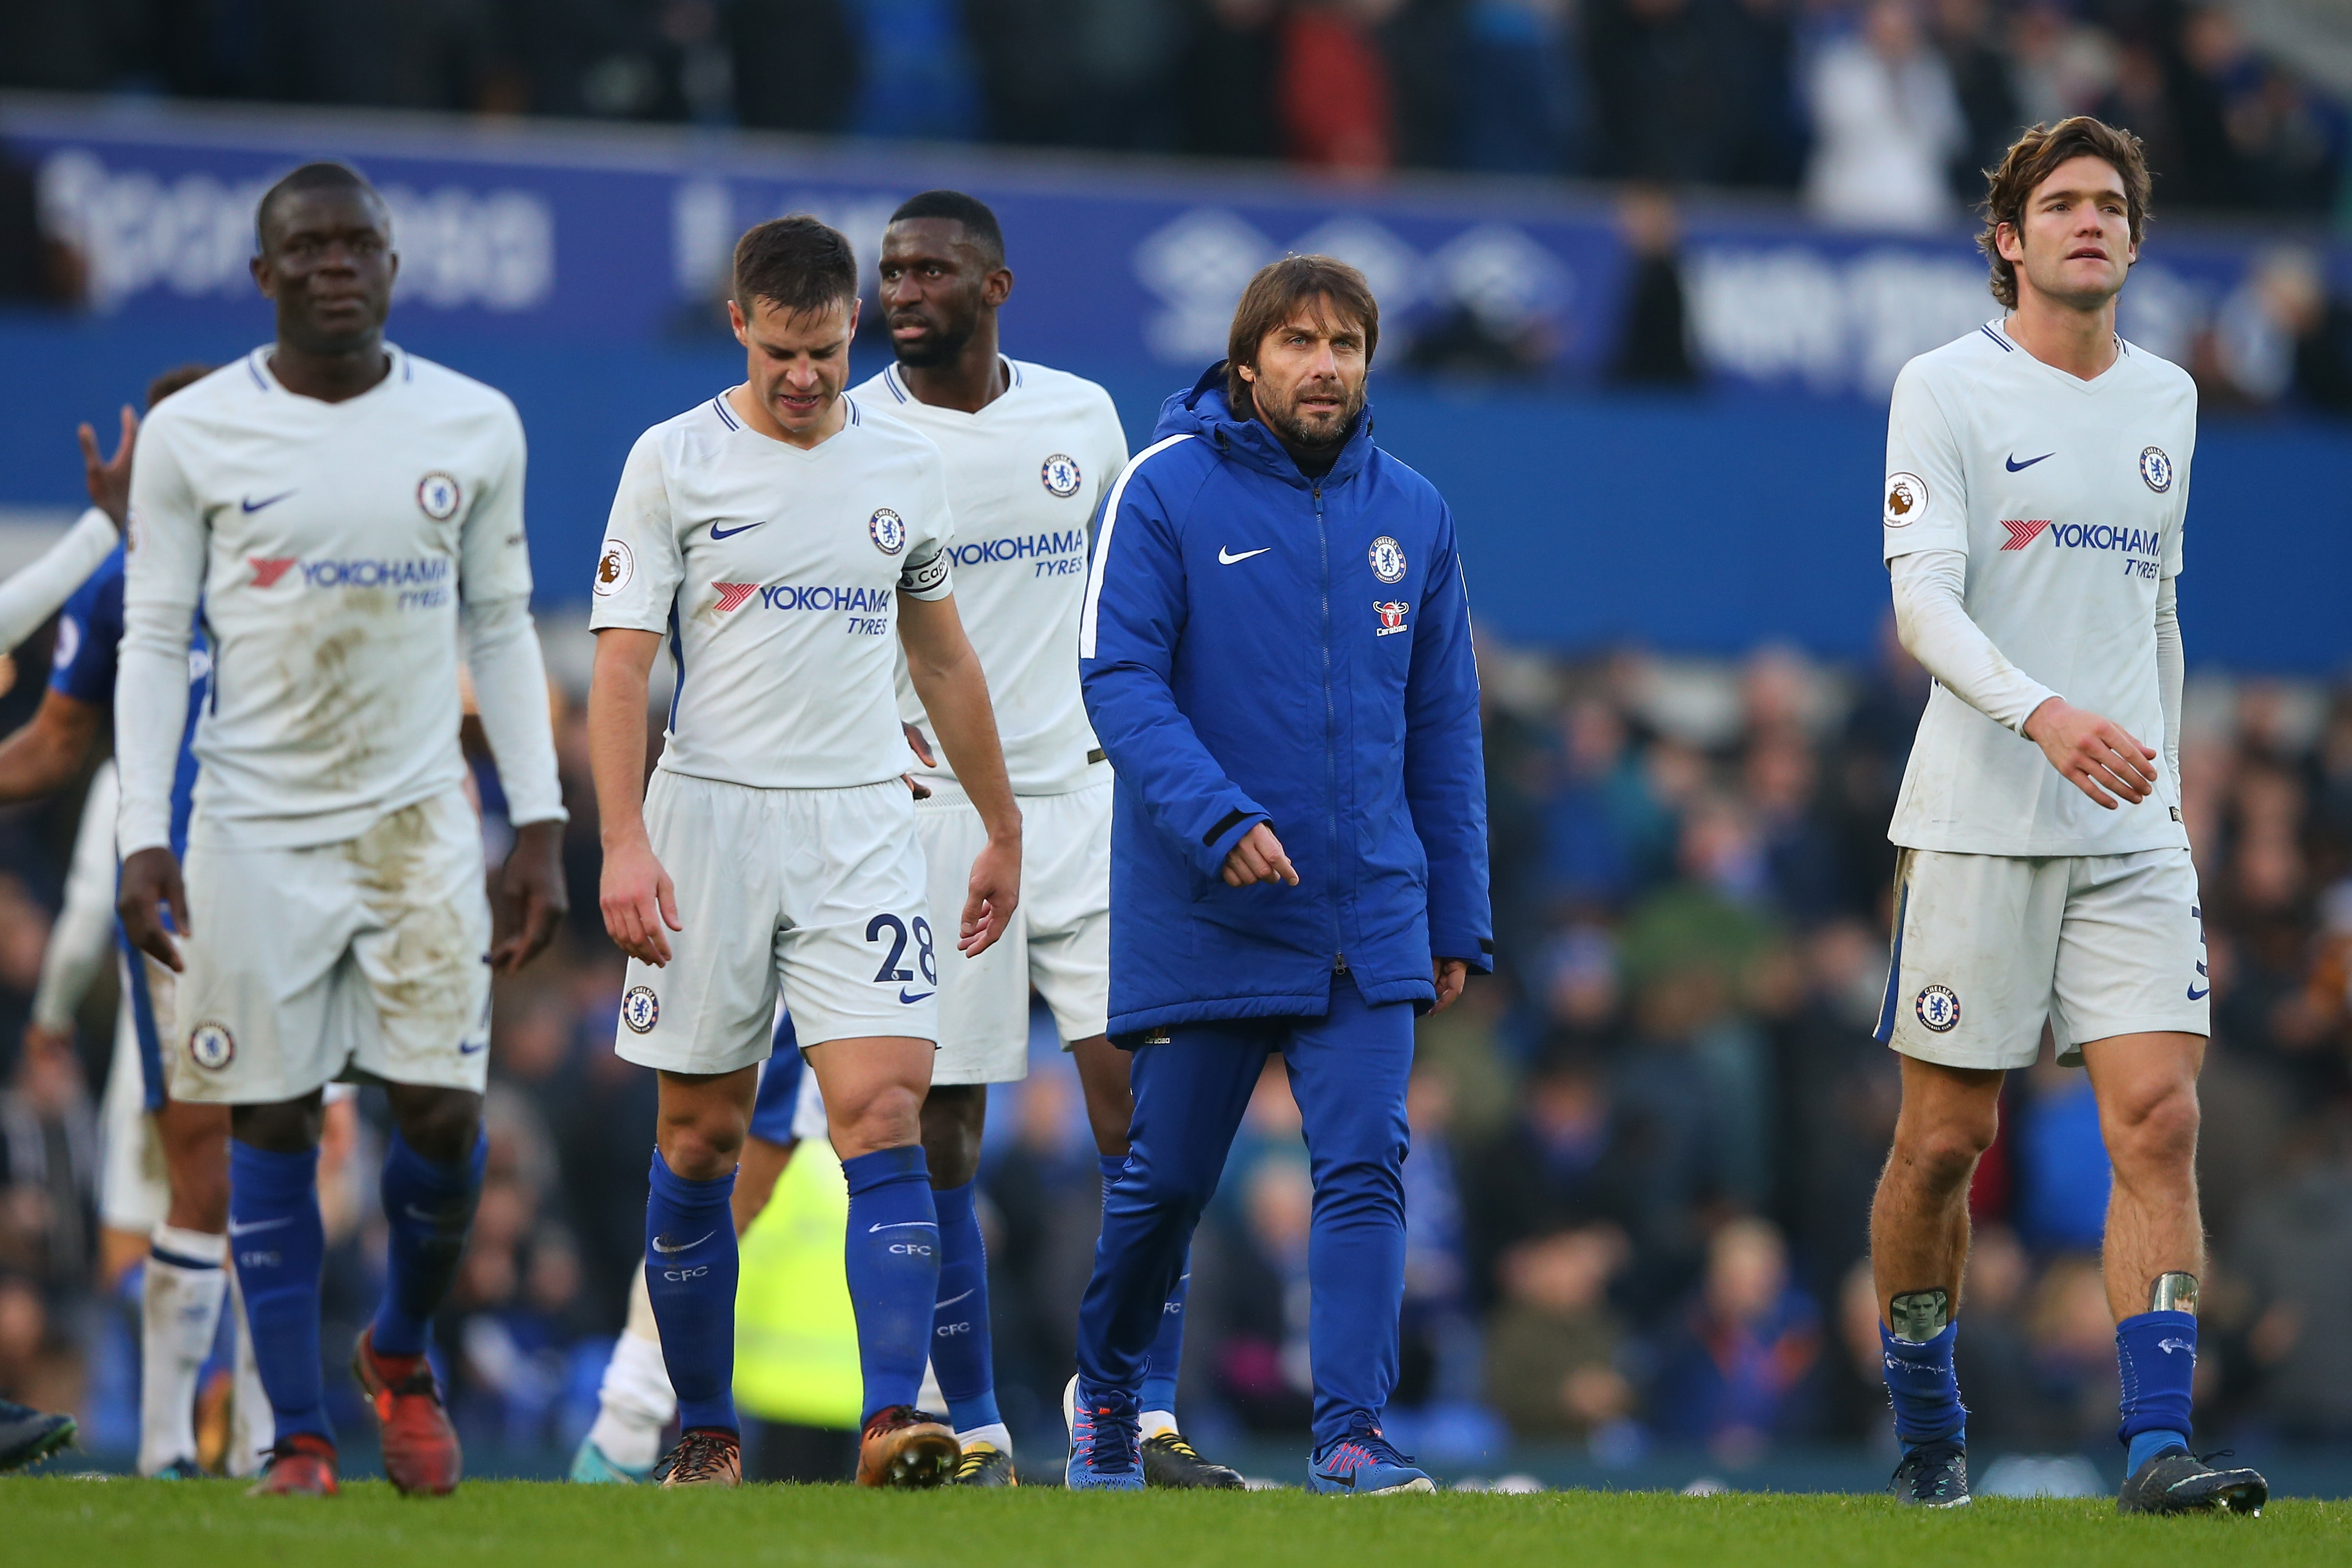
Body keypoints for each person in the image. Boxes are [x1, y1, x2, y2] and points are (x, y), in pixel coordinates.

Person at [113, 161, 569, 1499]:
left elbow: (499, 622)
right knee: (271, 1113)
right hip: (250, 830)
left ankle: (402, 1348)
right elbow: (153, 635)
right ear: (262, 276)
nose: (332, 265)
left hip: (420, 827)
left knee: (438, 1114)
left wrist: (534, 823)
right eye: (304, 247)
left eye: (356, 243)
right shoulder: (196, 434)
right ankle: (298, 1434)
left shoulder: (473, 422)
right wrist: (148, 828)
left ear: (393, 264)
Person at [1869, 116, 2266, 1515]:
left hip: (2129, 827)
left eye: (2110, 204)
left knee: (2157, 1117)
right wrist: (2044, 715)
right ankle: (1927, 1420)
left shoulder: (2168, 398)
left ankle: (2156, 1444)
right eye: (2059, 204)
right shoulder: (1945, 386)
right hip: (1979, 815)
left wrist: (2162, 763)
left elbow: (2153, 603)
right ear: (2007, 238)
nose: (2087, 221)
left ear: (2136, 241)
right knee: (1943, 1146)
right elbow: (1923, 601)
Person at [586, 214, 1020, 1490]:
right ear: (740, 326)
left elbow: (939, 653)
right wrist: (622, 841)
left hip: (860, 823)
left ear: (854, 332)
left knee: (884, 1111)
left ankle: (892, 1421)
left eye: (826, 351)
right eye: (781, 351)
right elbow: (622, 663)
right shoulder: (672, 460)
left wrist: (997, 822)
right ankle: (705, 1431)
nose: (804, 377)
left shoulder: (902, 468)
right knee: (700, 1139)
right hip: (709, 818)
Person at [1067, 255, 1490, 1492]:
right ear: (1246, 362)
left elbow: (1443, 726)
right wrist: (1215, 817)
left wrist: (1454, 913)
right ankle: (1107, 1401)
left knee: (1364, 1166)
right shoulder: (1161, 490)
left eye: (1346, 342)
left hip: (1365, 917)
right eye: (1298, 341)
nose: (1324, 363)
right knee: (1167, 1184)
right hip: (1212, 906)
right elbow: (1117, 677)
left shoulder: (1414, 509)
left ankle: (1349, 1437)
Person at [862, 188, 1237, 1488]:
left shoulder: (1079, 417)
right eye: (891, 272)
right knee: (948, 1122)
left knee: (1142, 1115)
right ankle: (968, 1425)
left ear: (996, 286)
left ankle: (1133, 1410)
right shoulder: (854, 433)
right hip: (933, 820)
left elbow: (1127, 599)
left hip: (1081, 806)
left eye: (929, 271)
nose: (903, 292)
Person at [0, 363, 282, 1479]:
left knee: (286, 1157)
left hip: (314, 890)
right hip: (176, 897)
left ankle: (278, 1428)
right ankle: (179, 1439)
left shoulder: (311, 560)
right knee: (202, 1164)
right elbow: (57, 743)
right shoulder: (128, 580)